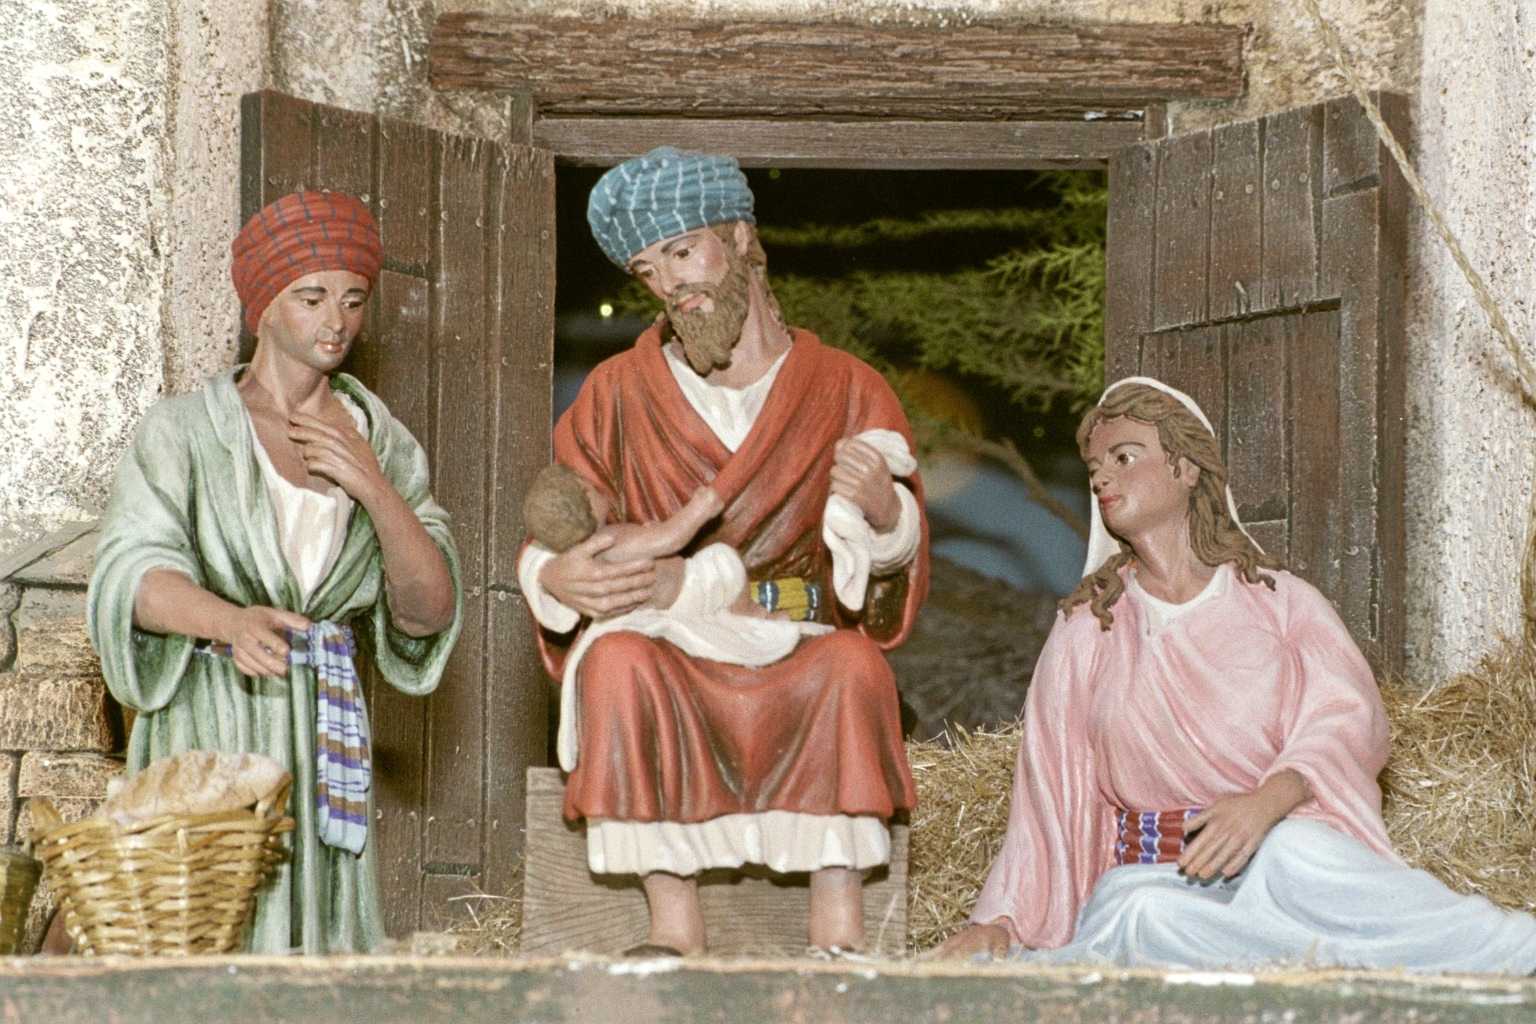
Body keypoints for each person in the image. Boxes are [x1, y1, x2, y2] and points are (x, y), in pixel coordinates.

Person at [935, 377, 1536, 973]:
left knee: (1297, 854)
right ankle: (1346, 965)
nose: (1102, 479)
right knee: (1139, 914)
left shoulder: (1280, 604)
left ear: (1186, 468)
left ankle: (1504, 946)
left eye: (1124, 458)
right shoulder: (1088, 631)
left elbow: (1349, 719)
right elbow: (1046, 792)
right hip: (1170, 880)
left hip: (1288, 858)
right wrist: (1002, 921)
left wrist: (1266, 804)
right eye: (1095, 467)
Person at [518, 147, 928, 956]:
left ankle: (838, 927)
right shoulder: (618, 392)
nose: (671, 284)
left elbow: (889, 580)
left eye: (683, 252)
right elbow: (562, 517)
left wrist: (886, 514)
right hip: (671, 638)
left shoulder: (847, 386)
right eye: (647, 270)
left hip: (795, 632)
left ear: (741, 238)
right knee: (618, 666)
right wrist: (557, 575)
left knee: (853, 670)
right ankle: (674, 927)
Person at [87, 191, 462, 955]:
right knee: (206, 926)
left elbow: (428, 611)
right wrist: (229, 621)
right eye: (311, 297)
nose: (337, 320)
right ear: (263, 305)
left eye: (354, 299)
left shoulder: (380, 440)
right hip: (214, 719)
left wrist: (373, 486)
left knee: (312, 945)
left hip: (321, 721)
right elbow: (132, 573)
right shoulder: (186, 431)